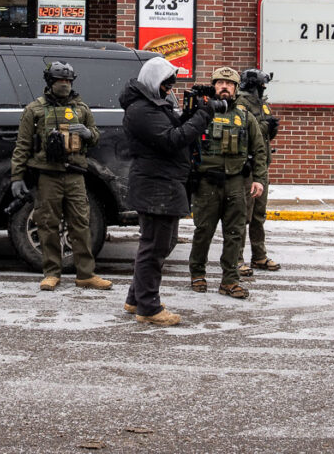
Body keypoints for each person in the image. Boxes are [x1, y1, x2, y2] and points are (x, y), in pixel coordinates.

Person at [119, 56, 217, 326]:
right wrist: (202, 116)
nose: (169, 90)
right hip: (155, 186)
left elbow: (173, 128)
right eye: (166, 85)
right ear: (153, 82)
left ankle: (135, 298)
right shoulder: (140, 110)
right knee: (154, 247)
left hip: (164, 184)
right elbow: (172, 140)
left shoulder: (152, 106)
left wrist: (189, 115)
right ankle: (148, 308)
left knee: (163, 243)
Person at [10, 61, 112, 292]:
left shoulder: (81, 108)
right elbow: (22, 145)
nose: (64, 84)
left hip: (75, 175)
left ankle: (85, 273)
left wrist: (87, 133)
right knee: (47, 224)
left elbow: (95, 136)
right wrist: (17, 177)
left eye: (67, 81)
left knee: (81, 224)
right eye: (59, 80)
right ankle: (51, 272)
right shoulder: (34, 110)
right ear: (50, 82)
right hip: (48, 175)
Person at [188, 67, 268, 299]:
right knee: (203, 231)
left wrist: (259, 180)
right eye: (220, 83)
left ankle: (230, 280)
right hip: (206, 182)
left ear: (235, 89)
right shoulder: (201, 113)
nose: (224, 87)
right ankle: (197, 273)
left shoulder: (245, 117)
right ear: (213, 86)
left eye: (229, 83)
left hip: (235, 182)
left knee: (235, 232)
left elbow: (259, 150)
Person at [235, 69, 281, 276]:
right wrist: (265, 125)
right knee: (243, 215)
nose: (263, 89)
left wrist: (272, 127)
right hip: (246, 168)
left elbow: (266, 133)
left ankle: (259, 255)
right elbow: (246, 131)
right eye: (261, 85)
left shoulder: (262, 103)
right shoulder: (241, 103)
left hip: (261, 166)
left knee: (258, 215)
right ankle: (236, 258)